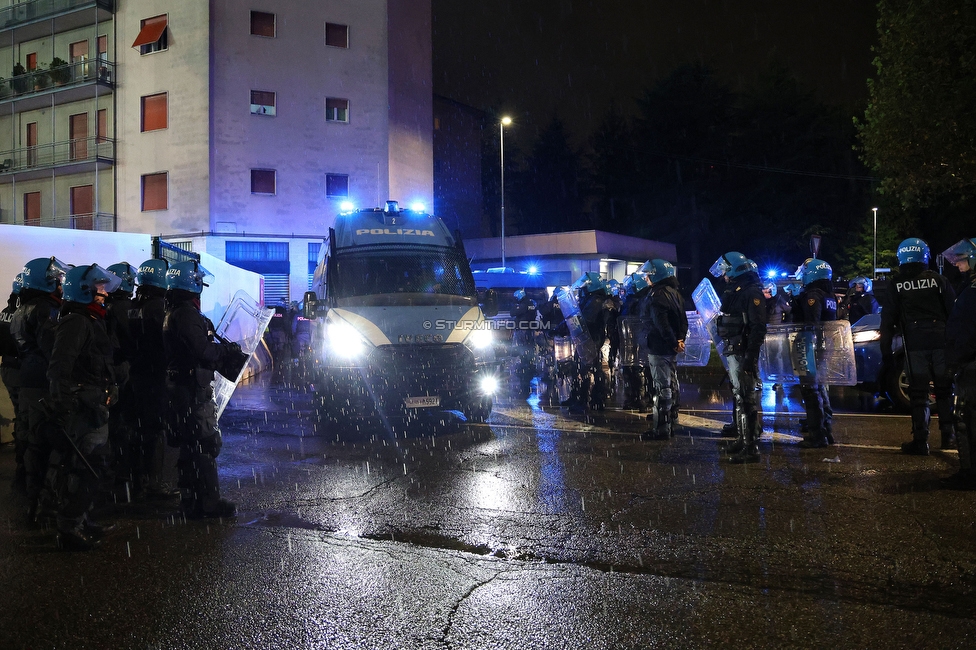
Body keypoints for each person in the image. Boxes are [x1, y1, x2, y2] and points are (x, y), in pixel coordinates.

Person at [45, 264, 121, 550]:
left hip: (94, 406)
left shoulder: (91, 318)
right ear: (85, 289)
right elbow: (59, 367)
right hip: (82, 409)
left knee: (93, 465)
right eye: (99, 287)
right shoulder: (77, 321)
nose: (104, 292)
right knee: (83, 467)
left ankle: (81, 518)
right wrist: (62, 406)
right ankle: (69, 528)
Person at [163, 260, 239, 518]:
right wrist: (226, 351)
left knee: (190, 444)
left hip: (181, 386)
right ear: (191, 283)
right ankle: (209, 502)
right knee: (205, 443)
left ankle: (190, 500)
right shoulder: (185, 314)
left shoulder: (174, 310)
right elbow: (202, 350)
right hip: (191, 388)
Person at [880, 238, 956, 455]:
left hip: (914, 345)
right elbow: (953, 313)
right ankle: (948, 436)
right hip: (941, 342)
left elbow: (887, 320)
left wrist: (886, 352)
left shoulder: (896, 284)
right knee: (944, 390)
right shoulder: (939, 280)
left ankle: (921, 440)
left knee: (919, 393)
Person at [11, 257, 68, 499]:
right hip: (43, 381)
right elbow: (53, 349)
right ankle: (46, 498)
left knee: (32, 437)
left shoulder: (22, 307)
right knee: (50, 439)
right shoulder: (45, 310)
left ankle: (29, 492)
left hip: (27, 378)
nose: (60, 284)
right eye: (57, 280)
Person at [126, 259, 178, 499]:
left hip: (135, 373)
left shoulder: (133, 304)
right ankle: (154, 483)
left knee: (137, 428)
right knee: (155, 430)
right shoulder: (159, 307)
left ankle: (136, 480)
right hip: (155, 376)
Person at [710, 252, 767, 463]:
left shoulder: (751, 292)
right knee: (740, 397)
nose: (724, 275)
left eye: (726, 270)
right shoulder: (737, 290)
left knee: (747, 399)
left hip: (743, 351)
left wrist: (750, 358)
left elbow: (758, 327)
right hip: (734, 348)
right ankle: (744, 440)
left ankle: (751, 448)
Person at [791, 257, 838, 449]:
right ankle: (825, 430)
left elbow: (811, 324)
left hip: (811, 348)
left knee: (811, 391)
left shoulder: (814, 295)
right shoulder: (830, 295)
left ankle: (817, 435)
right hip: (824, 348)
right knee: (819, 390)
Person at [942, 238, 976, 489]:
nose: (958, 265)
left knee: (966, 419)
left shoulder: (973, 291)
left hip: (971, 364)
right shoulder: (969, 287)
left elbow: (967, 331)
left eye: (962, 260)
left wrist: (956, 360)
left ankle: (970, 474)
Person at [641, 259, 688, 440]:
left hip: (660, 347)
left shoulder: (656, 295)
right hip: (671, 346)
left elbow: (661, 324)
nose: (646, 278)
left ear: (656, 275)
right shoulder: (675, 293)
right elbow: (683, 320)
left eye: (648, 274)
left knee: (662, 387)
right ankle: (672, 417)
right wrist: (679, 340)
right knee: (672, 382)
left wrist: (671, 341)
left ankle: (661, 428)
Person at [105, 262, 138, 494]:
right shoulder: (124, 307)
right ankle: (123, 473)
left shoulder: (106, 306)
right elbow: (134, 340)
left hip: (109, 370)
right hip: (123, 370)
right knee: (123, 424)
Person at [619, 271, 651, 410]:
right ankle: (634, 398)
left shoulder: (644, 299)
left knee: (642, 370)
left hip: (641, 341)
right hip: (630, 342)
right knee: (631, 371)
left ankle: (644, 400)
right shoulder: (631, 300)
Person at [1, 274, 23, 444]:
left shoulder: (5, 312)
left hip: (8, 367)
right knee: (25, 416)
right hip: (19, 369)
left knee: (20, 413)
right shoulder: (23, 313)